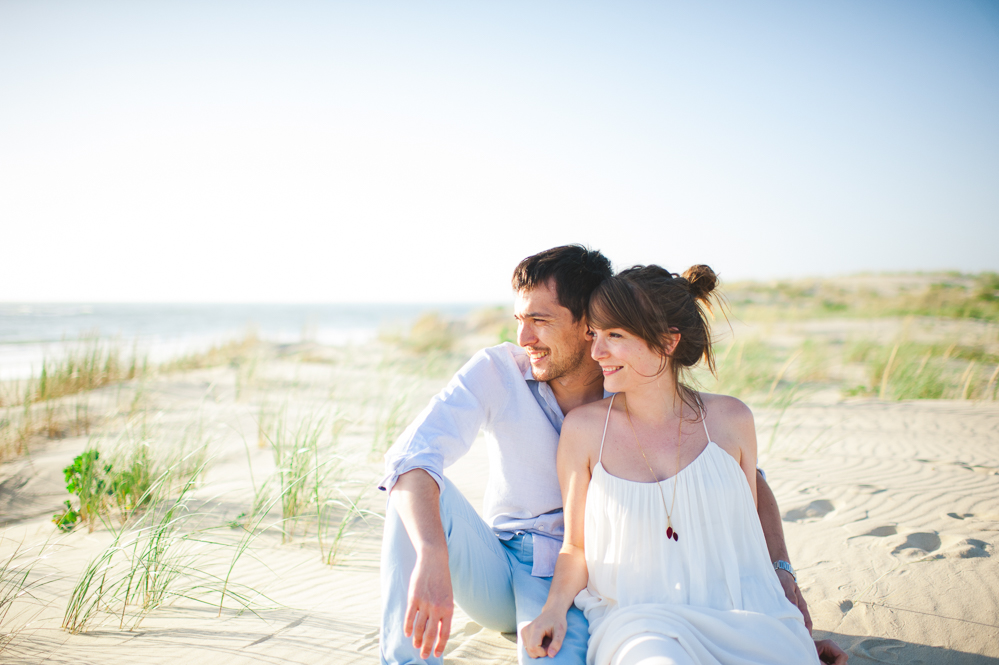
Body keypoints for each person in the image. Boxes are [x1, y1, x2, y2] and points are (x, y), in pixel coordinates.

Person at [379, 246, 819, 665]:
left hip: (583, 574)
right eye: (519, 320)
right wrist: (432, 552)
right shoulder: (498, 371)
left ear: (587, 323)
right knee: (414, 485)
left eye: (540, 320)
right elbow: (412, 456)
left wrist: (781, 573)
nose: (523, 337)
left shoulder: (635, 383)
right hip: (501, 559)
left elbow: (745, 482)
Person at [521, 265, 847, 665]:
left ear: (667, 341)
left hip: (750, 616)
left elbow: (746, 532)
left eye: (615, 336)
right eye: (595, 334)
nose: (597, 352)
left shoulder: (732, 421)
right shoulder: (585, 431)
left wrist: (785, 586)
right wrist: (553, 610)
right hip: (641, 625)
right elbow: (576, 548)